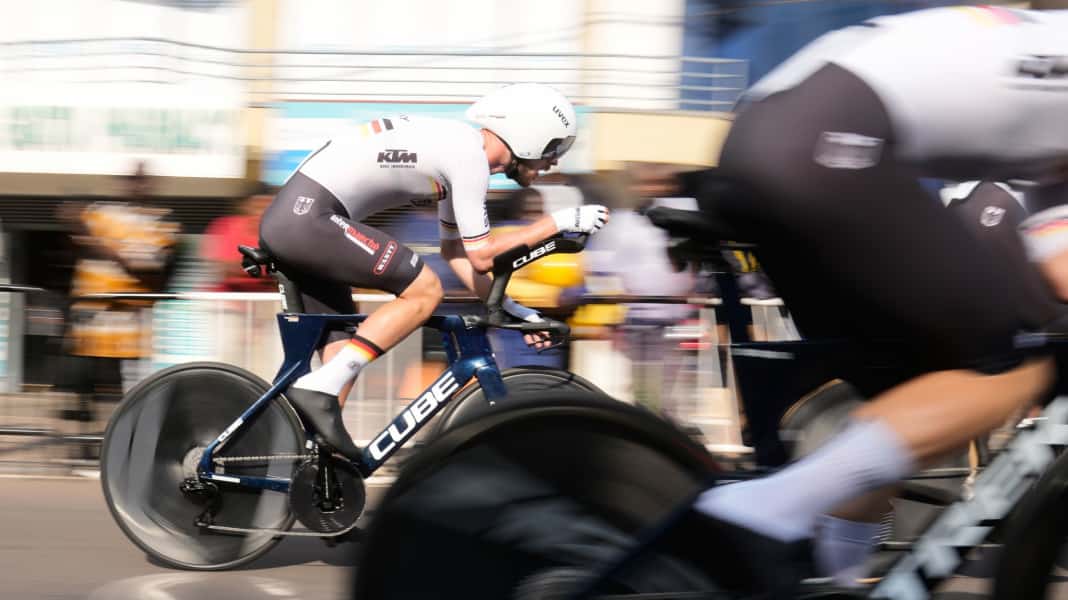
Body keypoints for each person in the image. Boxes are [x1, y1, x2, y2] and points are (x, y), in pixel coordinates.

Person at [680, 6, 1068, 594]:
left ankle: (833, 575)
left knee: (914, 390)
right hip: (827, 143)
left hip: (762, 137)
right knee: (1009, 367)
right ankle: (765, 510)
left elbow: (1058, 262)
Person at [258, 83, 609, 460]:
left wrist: (516, 310)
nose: (553, 162)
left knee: (341, 355)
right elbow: (483, 256)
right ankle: (318, 390)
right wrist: (560, 221)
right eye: (553, 148)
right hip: (308, 219)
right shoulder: (468, 157)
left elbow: (457, 253)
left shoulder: (458, 154)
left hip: (303, 220)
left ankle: (313, 465)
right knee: (424, 290)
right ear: (529, 135)